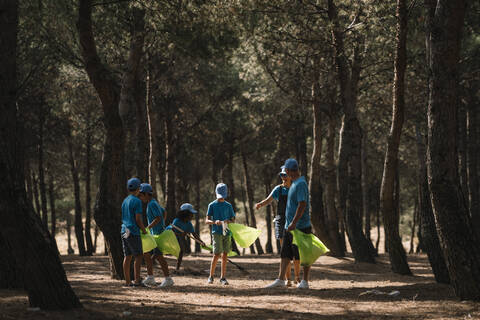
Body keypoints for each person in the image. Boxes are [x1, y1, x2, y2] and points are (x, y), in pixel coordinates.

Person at [265, 158, 312, 289]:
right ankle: (280, 279)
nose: (284, 173)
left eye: (285, 170)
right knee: (285, 253)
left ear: (289, 170)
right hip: (289, 226)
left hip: (300, 226)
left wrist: (294, 222)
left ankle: (305, 281)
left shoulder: (300, 184)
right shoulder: (294, 183)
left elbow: (302, 205)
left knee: (303, 254)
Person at [255, 166, 300, 286]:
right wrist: (260, 204)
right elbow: (268, 200)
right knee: (285, 252)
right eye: (282, 175)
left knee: (296, 252)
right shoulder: (278, 189)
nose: (283, 177)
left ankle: (297, 278)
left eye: (285, 175)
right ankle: (287, 280)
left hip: (293, 221)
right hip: (281, 221)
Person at [138, 183, 174, 287]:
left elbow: (158, 217)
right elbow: (164, 212)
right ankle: (150, 277)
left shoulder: (152, 204)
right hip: (155, 234)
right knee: (147, 255)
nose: (140, 198)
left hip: (158, 234)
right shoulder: (153, 203)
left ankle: (168, 279)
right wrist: (162, 223)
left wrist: (148, 227)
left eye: (141, 195)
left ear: (146, 194)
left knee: (159, 256)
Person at [205, 183, 235, 285]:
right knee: (217, 254)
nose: (221, 198)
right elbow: (207, 220)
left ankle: (223, 277)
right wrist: (214, 222)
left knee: (225, 254)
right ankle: (211, 276)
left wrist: (227, 221)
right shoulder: (212, 205)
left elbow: (233, 219)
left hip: (227, 232)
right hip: (216, 233)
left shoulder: (228, 206)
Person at [121, 177, 147, 287]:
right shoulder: (137, 201)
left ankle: (127, 282)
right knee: (139, 256)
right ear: (138, 189)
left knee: (127, 256)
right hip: (133, 231)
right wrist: (144, 230)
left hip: (124, 230)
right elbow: (137, 219)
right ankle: (137, 281)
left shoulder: (125, 201)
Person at [166, 203, 205, 271]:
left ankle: (177, 268)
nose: (192, 215)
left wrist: (201, 242)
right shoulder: (177, 221)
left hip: (179, 237)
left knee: (181, 251)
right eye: (191, 214)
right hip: (170, 237)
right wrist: (180, 234)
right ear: (185, 213)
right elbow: (172, 232)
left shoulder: (188, 223)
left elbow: (194, 234)